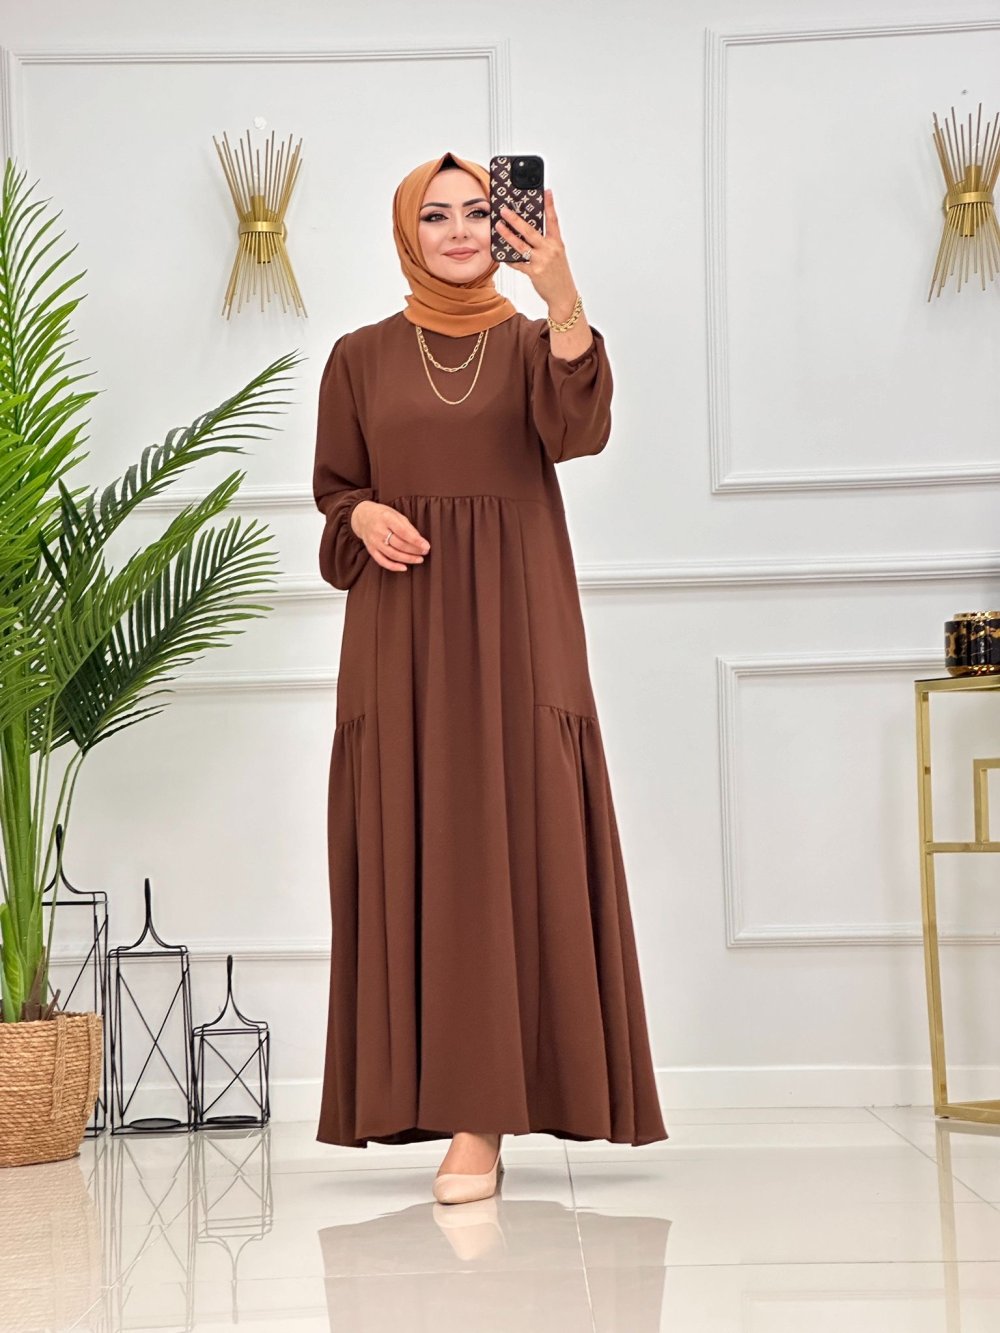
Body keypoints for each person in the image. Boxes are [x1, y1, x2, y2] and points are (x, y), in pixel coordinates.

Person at [313, 151, 668, 1204]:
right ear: (406, 233)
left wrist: (561, 294)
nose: (462, 230)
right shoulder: (357, 357)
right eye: (436, 215)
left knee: (519, 839)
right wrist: (361, 517)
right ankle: (446, 1104)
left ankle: (486, 1117)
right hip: (403, 631)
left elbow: (579, 430)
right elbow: (335, 496)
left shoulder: (531, 343)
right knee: (419, 840)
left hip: (518, 623)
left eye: (479, 211)